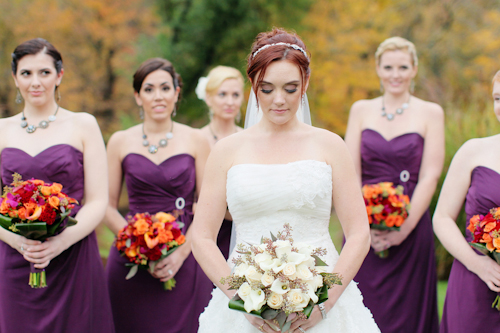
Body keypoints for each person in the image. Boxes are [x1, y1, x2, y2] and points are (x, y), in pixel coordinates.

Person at [192, 28, 380, 333]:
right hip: (246, 303)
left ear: (305, 84)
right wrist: (239, 297)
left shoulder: (331, 146)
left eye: (290, 88)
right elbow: (201, 237)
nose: (279, 100)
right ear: (253, 85)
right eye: (267, 89)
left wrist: (325, 303)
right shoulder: (226, 150)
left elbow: (359, 233)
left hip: (321, 299)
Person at [0, 38, 114, 332]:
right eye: (26, 73)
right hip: (15, 260)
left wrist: (59, 243)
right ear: (14, 78)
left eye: (45, 72)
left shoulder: (83, 125)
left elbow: (98, 200)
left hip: (73, 256)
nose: (35, 82)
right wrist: (18, 242)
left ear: (59, 75)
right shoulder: (2, 130)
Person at [104, 58, 213, 333]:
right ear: (137, 97)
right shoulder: (120, 141)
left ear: (177, 92)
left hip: (185, 253)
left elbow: (209, 206)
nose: (158, 96)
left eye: (165, 88)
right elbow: (105, 206)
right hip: (130, 258)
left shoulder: (197, 140)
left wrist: (180, 253)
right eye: (149, 89)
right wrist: (137, 245)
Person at [344, 36, 443, 332]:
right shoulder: (360, 110)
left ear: (414, 70)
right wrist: (363, 226)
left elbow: (430, 176)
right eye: (388, 67)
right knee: (361, 309)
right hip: (362, 224)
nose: (395, 74)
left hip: (411, 225)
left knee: (409, 315)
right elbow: (350, 174)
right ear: (378, 69)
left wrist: (404, 229)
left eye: (402, 67)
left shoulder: (431, 112)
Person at [433, 71, 500, 332]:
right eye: (497, 98)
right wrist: (478, 264)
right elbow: (442, 218)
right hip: (474, 282)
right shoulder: (473, 151)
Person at [196, 66, 244, 259]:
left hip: (243, 232)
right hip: (207, 231)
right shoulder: (197, 139)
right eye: (222, 94)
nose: (230, 102)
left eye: (236, 95)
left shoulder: (249, 139)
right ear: (209, 98)